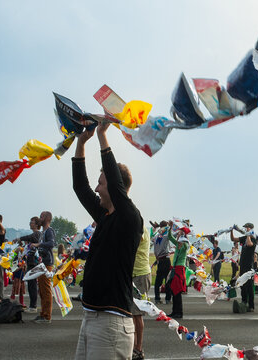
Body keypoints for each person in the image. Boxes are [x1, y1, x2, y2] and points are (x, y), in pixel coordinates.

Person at [72, 121, 143, 360]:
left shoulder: (129, 217)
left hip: (112, 323)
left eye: (100, 183)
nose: (96, 187)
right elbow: (80, 187)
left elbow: (112, 178)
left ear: (115, 187)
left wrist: (102, 135)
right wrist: (81, 143)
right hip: (91, 317)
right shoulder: (105, 216)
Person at [31, 211, 55, 323]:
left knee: (45, 290)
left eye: (42, 216)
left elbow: (51, 243)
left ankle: (47, 316)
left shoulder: (49, 231)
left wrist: (38, 244)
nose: (40, 218)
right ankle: (43, 313)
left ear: (47, 218)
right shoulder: (42, 232)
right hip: (41, 263)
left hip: (47, 264)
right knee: (41, 290)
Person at [131, 226, 151, 360]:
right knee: (131, 313)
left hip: (140, 275)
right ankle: (132, 347)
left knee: (137, 314)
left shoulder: (139, 225)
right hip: (133, 274)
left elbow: (132, 243)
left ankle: (138, 349)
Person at [15, 216, 42, 313]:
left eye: (32, 222)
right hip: (30, 262)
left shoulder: (37, 234)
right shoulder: (35, 234)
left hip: (33, 263)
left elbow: (31, 237)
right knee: (31, 284)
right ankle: (32, 305)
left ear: (37, 225)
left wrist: (20, 238)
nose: (30, 223)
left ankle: (33, 306)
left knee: (32, 284)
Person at [231, 223, 257, 312]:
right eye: (245, 228)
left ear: (251, 228)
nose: (245, 229)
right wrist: (231, 230)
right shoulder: (244, 238)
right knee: (242, 285)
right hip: (242, 266)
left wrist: (248, 234)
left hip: (249, 266)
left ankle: (251, 306)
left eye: (247, 228)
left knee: (249, 286)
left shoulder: (253, 239)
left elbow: (249, 244)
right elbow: (233, 239)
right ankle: (244, 302)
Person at [167, 224, 189, 319]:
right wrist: (170, 228)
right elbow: (169, 237)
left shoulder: (184, 246)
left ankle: (179, 312)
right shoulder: (177, 244)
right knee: (173, 290)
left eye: (180, 233)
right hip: (175, 269)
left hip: (179, 269)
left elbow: (186, 244)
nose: (178, 234)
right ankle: (174, 311)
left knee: (177, 291)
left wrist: (183, 236)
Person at [152, 221, 172, 305]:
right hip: (166, 259)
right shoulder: (166, 235)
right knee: (168, 281)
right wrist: (170, 226)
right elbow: (172, 235)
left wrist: (155, 228)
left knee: (158, 281)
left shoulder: (156, 236)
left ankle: (157, 298)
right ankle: (168, 299)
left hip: (159, 260)